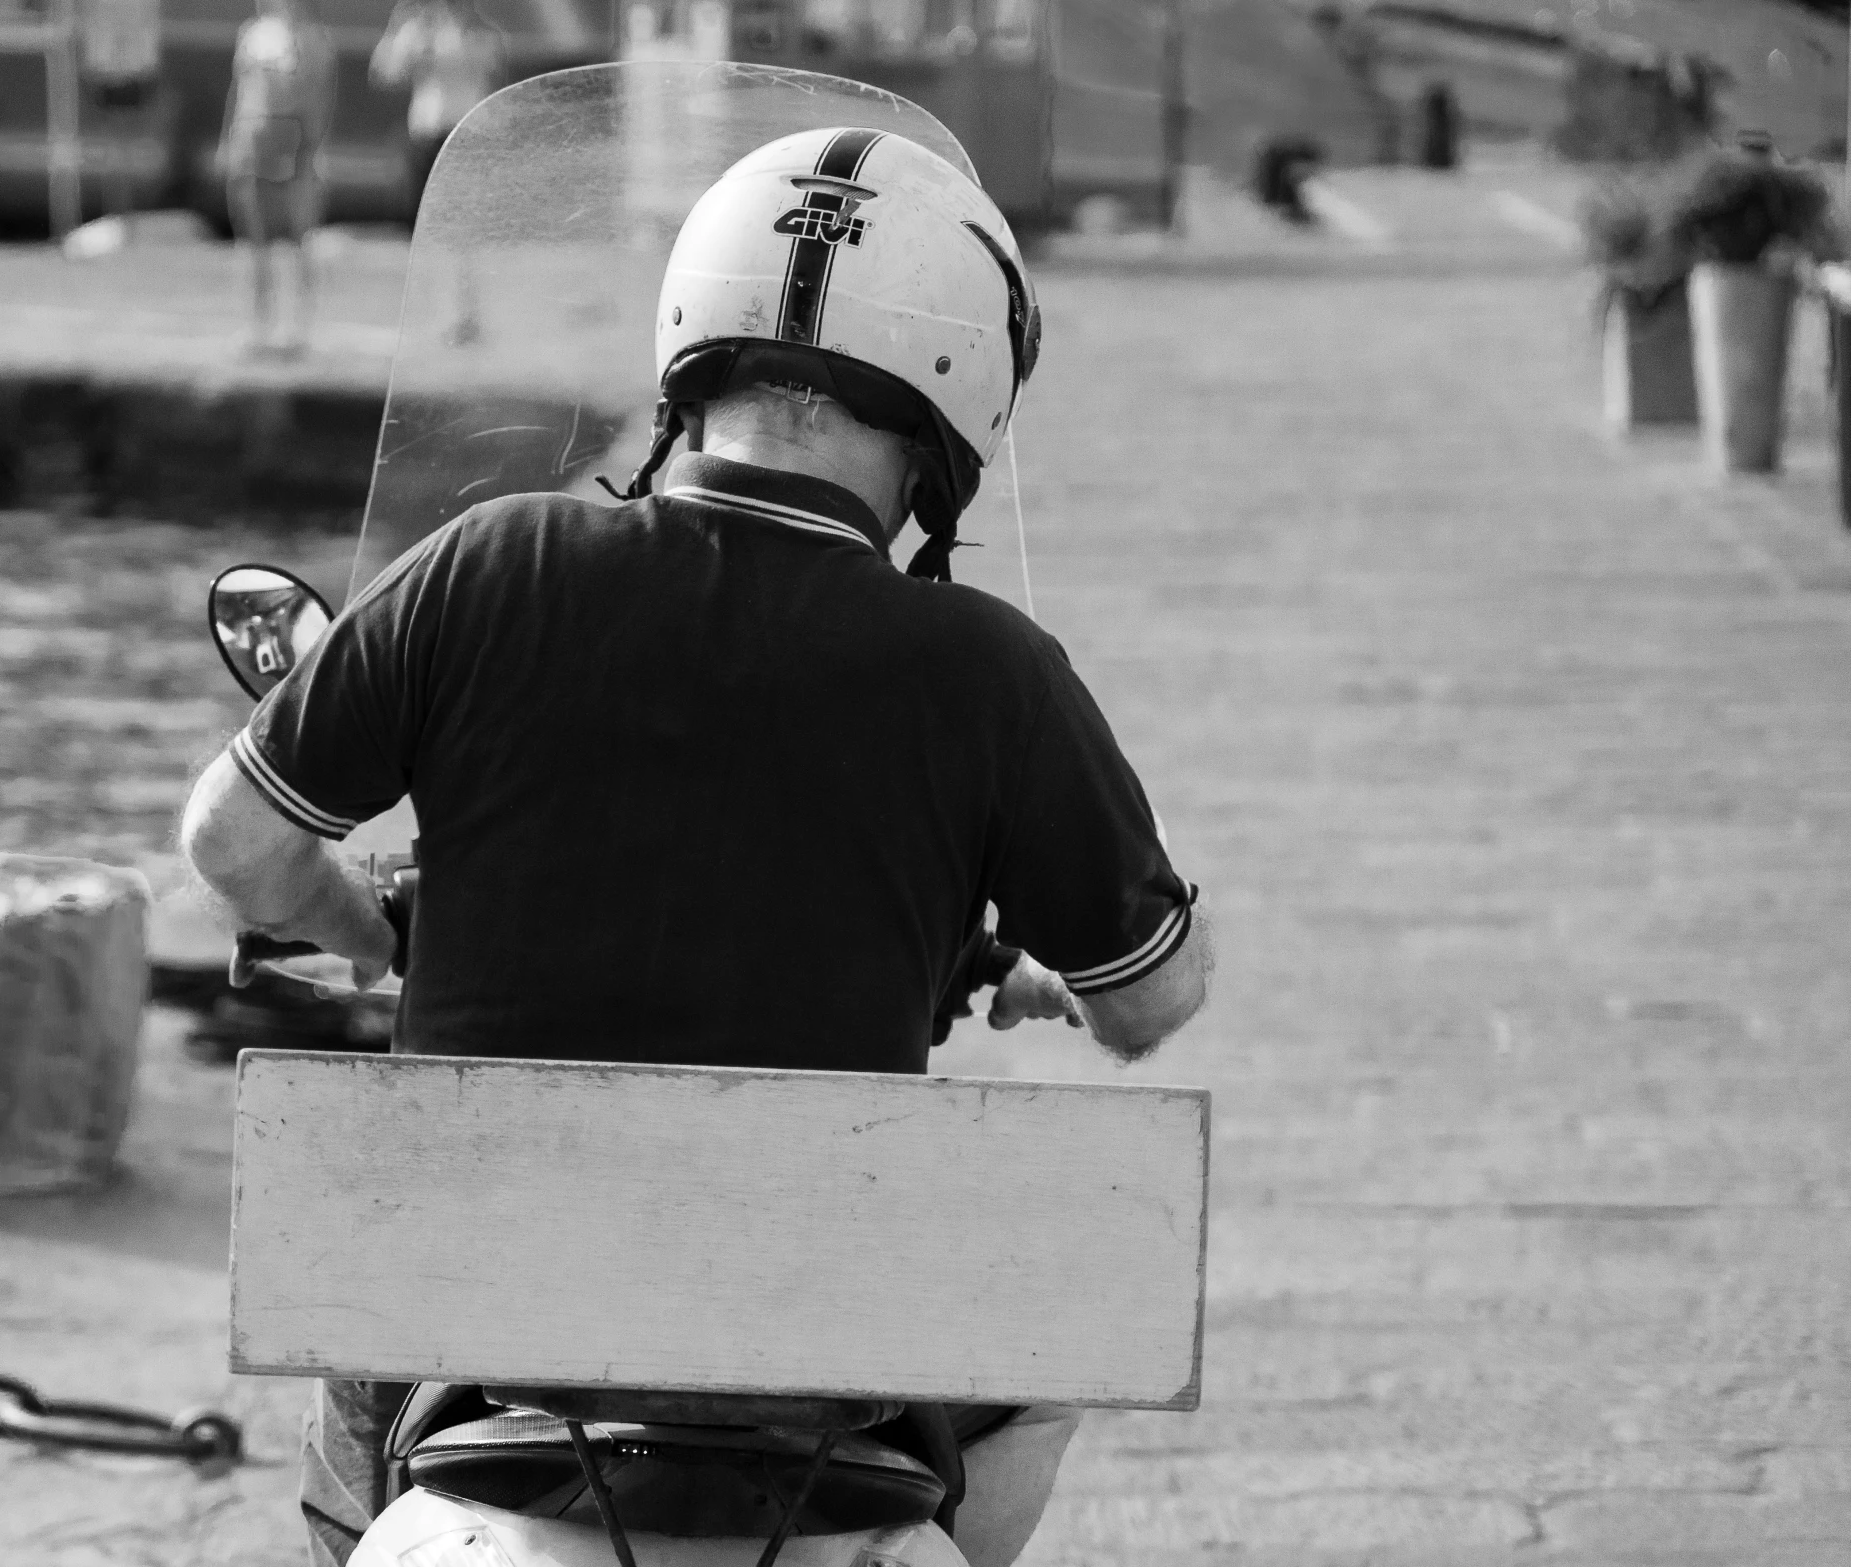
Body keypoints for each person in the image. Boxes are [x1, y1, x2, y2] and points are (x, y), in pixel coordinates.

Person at [182, 126, 1211, 1567]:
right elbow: (1151, 997)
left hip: (491, 1381)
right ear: (954, 413)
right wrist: (1094, 929)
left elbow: (233, 842)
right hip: (812, 1405)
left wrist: (377, 922)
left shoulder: (490, 565)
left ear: (689, 357)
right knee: (1036, 1328)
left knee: (360, 1342)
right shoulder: (989, 670)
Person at [219, 0, 336, 352]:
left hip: (292, 140)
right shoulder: (252, 34)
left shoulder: (313, 38)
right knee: (253, 239)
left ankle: (298, 327)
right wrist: (229, 140)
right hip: (251, 138)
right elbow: (240, 91)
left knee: (299, 236)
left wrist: (311, 149)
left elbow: (318, 96)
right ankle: (258, 325)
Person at [368, 0, 503, 210]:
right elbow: (385, 74)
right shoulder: (418, 30)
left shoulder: (480, 31)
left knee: (463, 210)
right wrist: (399, 30)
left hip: (469, 133)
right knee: (422, 210)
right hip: (426, 134)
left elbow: (495, 75)